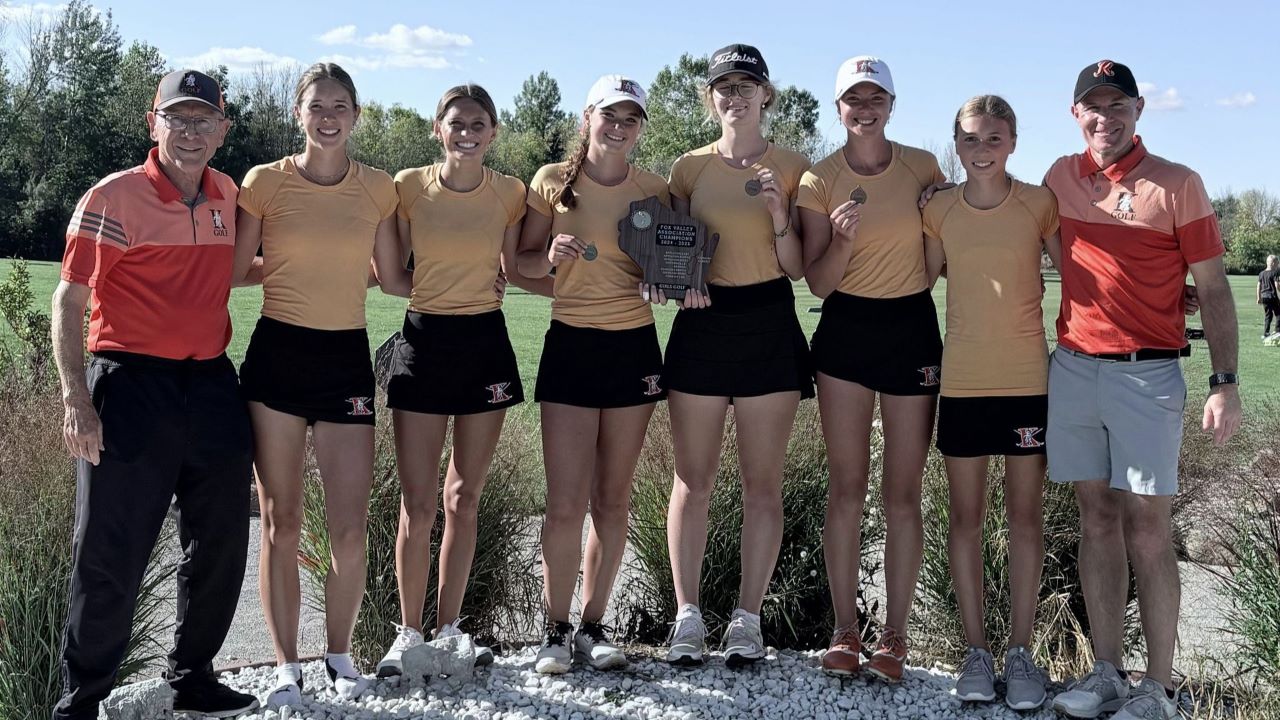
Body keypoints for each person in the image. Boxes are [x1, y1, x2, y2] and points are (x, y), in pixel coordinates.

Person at [51, 69, 258, 720]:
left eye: (204, 120)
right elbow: (70, 297)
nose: (191, 132)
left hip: (211, 384)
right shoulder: (112, 197)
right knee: (110, 551)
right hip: (130, 383)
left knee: (222, 541)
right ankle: (82, 702)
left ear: (223, 130)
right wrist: (75, 398)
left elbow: (243, 268)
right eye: (179, 118)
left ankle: (192, 677)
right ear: (153, 123)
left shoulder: (229, 195)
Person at [1045, 60, 1241, 720]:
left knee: (1149, 531)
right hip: (1073, 368)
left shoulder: (1179, 185)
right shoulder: (1058, 179)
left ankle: (1155, 688)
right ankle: (1105, 672)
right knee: (1096, 520)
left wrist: (1224, 384)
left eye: (1118, 104)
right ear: (1076, 114)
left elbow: (1212, 290)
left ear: (1138, 111)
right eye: (1092, 106)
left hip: (1148, 373)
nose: (1106, 116)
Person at [231, 63, 400, 708]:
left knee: (349, 528)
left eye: (339, 105)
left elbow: (394, 276)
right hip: (277, 355)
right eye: (316, 105)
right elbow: (235, 268)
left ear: (355, 114)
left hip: (345, 362)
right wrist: (294, 267)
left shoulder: (378, 189)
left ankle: (338, 653)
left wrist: (485, 280)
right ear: (299, 115)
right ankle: (283, 666)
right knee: (280, 520)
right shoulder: (264, 183)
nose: (327, 116)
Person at [374, 84, 553, 676]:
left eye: (479, 123)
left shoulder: (511, 193)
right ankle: (409, 634)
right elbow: (395, 277)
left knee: (463, 497)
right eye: (457, 123)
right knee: (417, 503)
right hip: (422, 344)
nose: (468, 132)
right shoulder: (406, 186)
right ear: (438, 128)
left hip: (484, 346)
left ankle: (450, 629)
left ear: (493, 131)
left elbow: (510, 267)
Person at [658, 43, 813, 668]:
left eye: (747, 84)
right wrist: (672, 280)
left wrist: (779, 212)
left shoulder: (799, 167)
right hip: (703, 323)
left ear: (766, 95)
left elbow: (799, 266)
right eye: (724, 86)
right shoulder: (687, 170)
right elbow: (669, 256)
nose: (735, 95)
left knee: (762, 486)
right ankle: (687, 618)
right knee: (692, 482)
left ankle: (747, 621)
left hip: (771, 321)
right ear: (711, 97)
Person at [797, 56, 946, 682]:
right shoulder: (816, 179)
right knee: (847, 488)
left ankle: (894, 638)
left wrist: (905, 289)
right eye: (853, 99)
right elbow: (819, 282)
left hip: (910, 328)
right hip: (845, 332)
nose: (865, 108)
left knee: (902, 493)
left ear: (891, 103)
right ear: (838, 109)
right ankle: (845, 630)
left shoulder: (924, 169)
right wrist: (845, 243)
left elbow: (936, 257)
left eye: (875, 97)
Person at [516, 74, 668, 674]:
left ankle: (592, 625)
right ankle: (554, 628)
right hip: (571, 346)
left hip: (634, 348)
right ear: (589, 118)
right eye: (610, 115)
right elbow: (521, 264)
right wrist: (547, 261)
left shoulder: (655, 188)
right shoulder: (552, 182)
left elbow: (675, 267)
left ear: (639, 129)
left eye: (631, 118)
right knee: (564, 501)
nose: (620, 125)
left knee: (612, 498)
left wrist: (667, 284)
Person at [921, 95, 1060, 710]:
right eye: (972, 139)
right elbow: (915, 279)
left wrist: (1169, 294)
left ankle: (1021, 653)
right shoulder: (940, 209)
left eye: (994, 137)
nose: (983, 149)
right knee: (966, 521)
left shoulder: (1039, 204)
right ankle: (975, 653)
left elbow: (1085, 276)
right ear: (957, 144)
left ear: (1012, 141)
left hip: (1028, 380)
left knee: (1025, 520)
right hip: (963, 382)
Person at [1257, 254, 1279, 339]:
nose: (1278, 265)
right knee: (1278, 313)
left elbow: (1258, 286)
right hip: (1272, 296)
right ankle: (1277, 331)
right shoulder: (1275, 273)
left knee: (1268, 315)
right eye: (1277, 263)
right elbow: (1277, 285)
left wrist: (1259, 297)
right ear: (1273, 263)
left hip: (1264, 297)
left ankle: (1266, 333)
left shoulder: (1261, 273)